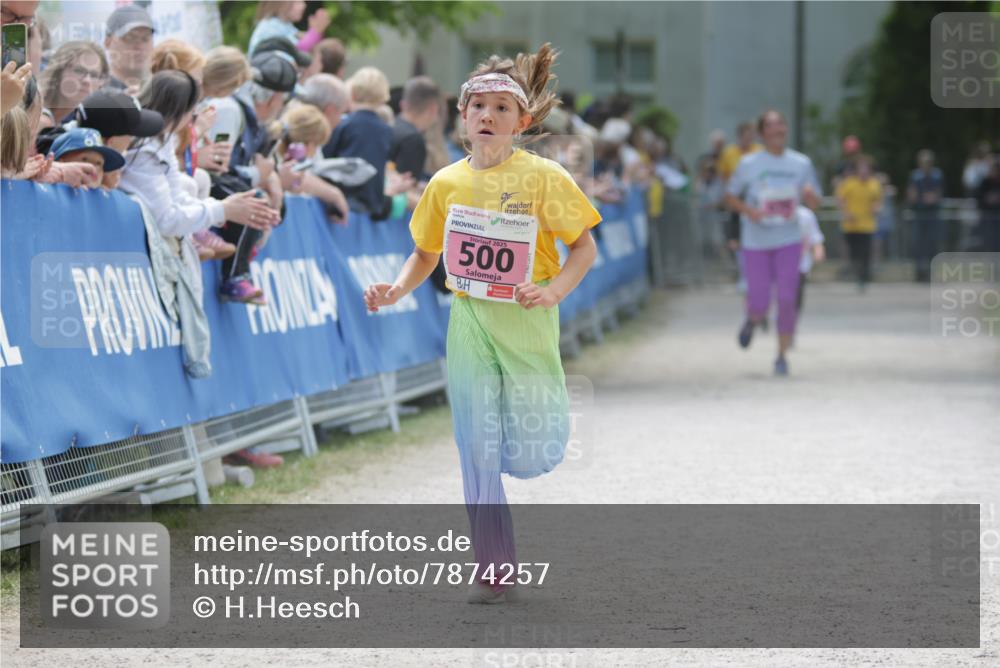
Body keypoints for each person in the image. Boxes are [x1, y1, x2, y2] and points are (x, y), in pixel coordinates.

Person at [364, 43, 601, 604]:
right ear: (462, 118)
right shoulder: (444, 183)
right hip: (468, 316)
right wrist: (397, 288)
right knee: (476, 444)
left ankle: (518, 464)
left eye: (501, 108)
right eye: (479, 107)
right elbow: (425, 253)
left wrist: (552, 290)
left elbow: (585, 248)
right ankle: (494, 565)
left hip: (526, 321)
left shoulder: (544, 177)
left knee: (533, 448)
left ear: (522, 122)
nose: (488, 117)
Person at [723, 109, 821, 376]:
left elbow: (814, 203)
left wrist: (810, 196)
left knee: (788, 299)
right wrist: (750, 212)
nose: (777, 130)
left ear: (786, 130)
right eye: (771, 125)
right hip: (756, 241)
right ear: (762, 132)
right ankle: (752, 319)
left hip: (788, 238)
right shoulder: (749, 163)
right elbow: (730, 197)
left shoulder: (801, 164)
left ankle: (781, 356)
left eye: (781, 125)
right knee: (759, 302)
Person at [323, 66, 412, 220]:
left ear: (353, 92)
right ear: (383, 97)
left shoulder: (345, 124)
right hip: (372, 201)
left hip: (344, 198)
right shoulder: (386, 130)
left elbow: (327, 156)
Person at [835, 154, 882, 291]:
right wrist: (846, 213)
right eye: (861, 168)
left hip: (867, 225)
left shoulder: (874, 184)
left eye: (866, 168)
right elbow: (840, 199)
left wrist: (876, 207)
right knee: (854, 253)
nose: (864, 171)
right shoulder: (849, 183)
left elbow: (878, 201)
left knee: (865, 253)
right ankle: (857, 275)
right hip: (851, 225)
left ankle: (863, 278)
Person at [390, 75, 441, 184]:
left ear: (403, 104)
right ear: (433, 109)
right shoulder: (413, 140)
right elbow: (409, 187)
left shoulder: (390, 126)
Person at [40, 41, 108, 123]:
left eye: (94, 75)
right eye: (79, 71)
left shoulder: (86, 119)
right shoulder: (33, 108)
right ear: (58, 71)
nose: (87, 80)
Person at [907, 149, 944, 283]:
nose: (926, 164)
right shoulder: (915, 176)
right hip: (920, 214)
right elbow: (912, 195)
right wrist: (922, 199)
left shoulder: (937, 175)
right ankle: (919, 272)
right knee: (918, 244)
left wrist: (933, 198)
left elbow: (939, 194)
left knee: (932, 243)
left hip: (932, 214)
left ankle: (931, 272)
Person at [50, 127, 124, 189]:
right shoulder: (46, 188)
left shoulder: (101, 198)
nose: (92, 167)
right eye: (84, 159)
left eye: (99, 163)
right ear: (60, 163)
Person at [248, 1, 330, 57]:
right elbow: (295, 54)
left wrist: (315, 32)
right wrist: (315, 32)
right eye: (298, 2)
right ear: (284, 3)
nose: (304, 5)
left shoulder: (285, 26)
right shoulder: (270, 27)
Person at [103, 4, 155, 92]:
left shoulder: (162, 90)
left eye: (145, 39)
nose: (139, 47)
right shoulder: (93, 90)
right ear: (108, 43)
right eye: (130, 38)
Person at [795, 205, 826, 319]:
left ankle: (793, 318)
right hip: (777, 262)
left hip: (801, 262)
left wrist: (818, 250)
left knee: (797, 290)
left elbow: (815, 235)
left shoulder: (805, 214)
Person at [974, 157, 1000, 252]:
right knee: (987, 240)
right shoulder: (984, 182)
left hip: (998, 219)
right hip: (986, 218)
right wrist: (988, 200)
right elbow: (978, 199)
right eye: (992, 169)